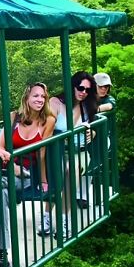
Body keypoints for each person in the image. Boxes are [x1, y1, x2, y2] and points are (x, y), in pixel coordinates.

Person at [0, 82, 56, 235]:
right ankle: (1, 248)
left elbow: (41, 153)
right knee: (0, 193)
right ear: (26, 98)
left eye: (43, 96)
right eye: (36, 95)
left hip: (27, 172)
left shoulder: (48, 121)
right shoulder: (14, 117)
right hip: (8, 168)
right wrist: (11, 166)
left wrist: (43, 180)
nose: (40, 99)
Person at [49, 72, 98, 232]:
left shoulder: (88, 106)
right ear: (73, 86)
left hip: (79, 152)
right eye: (80, 87)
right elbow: (47, 128)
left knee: (72, 170)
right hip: (58, 151)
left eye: (87, 90)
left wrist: (93, 133)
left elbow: (92, 126)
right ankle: (47, 216)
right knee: (56, 175)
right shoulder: (56, 103)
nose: (83, 92)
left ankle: (64, 217)